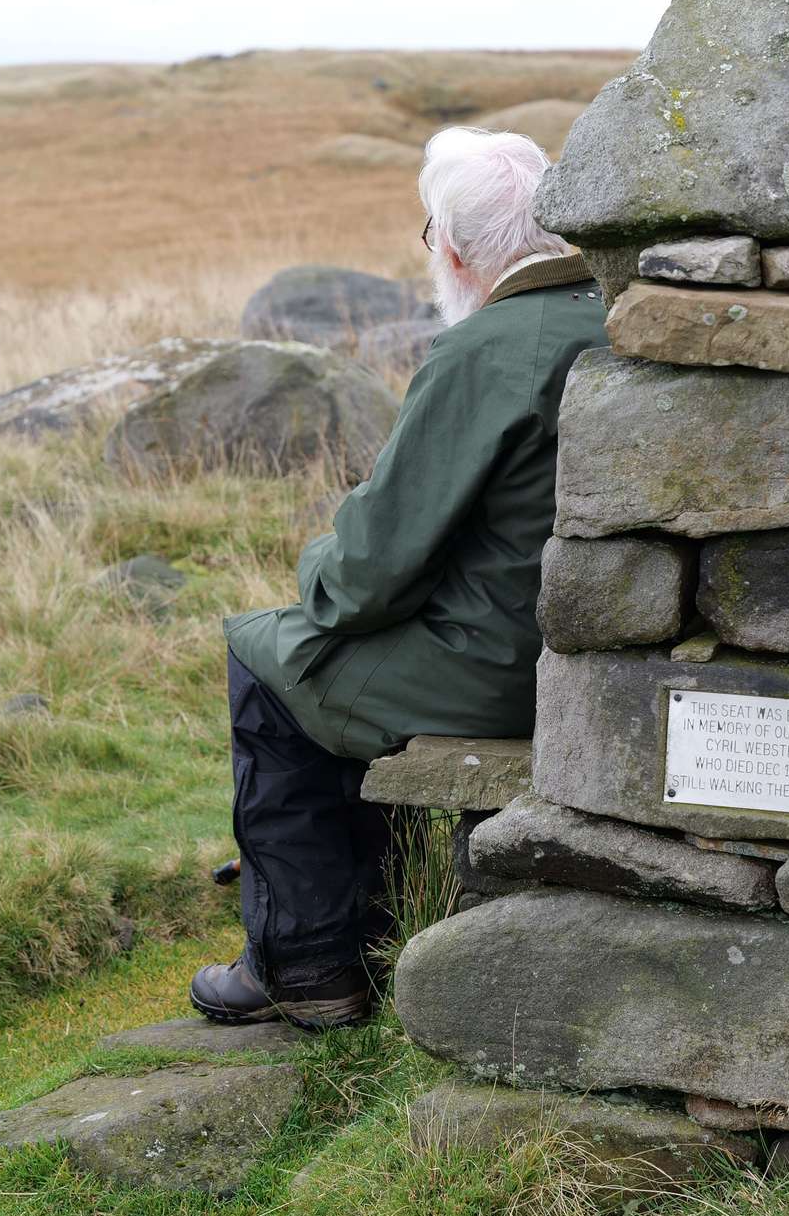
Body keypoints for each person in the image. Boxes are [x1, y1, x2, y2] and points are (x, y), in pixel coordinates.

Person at [190, 127, 609, 1028]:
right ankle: (374, 921)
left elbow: (362, 581)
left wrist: (315, 562)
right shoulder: (615, 317)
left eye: (431, 236)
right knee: (326, 664)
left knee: (268, 655)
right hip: (594, 658)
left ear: (453, 252)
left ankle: (306, 965)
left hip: (501, 666)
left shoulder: (488, 351)